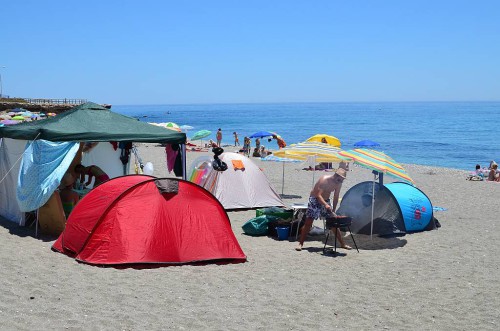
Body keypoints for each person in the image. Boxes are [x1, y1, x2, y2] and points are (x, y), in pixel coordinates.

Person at [296, 168, 351, 251]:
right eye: (340, 179)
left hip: (326, 200)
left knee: (333, 222)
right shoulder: (324, 180)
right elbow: (318, 195)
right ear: (336, 175)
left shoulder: (339, 183)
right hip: (315, 199)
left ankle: (342, 244)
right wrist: (325, 205)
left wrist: (333, 210)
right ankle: (300, 243)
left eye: (342, 180)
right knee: (309, 221)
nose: (341, 182)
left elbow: (336, 196)